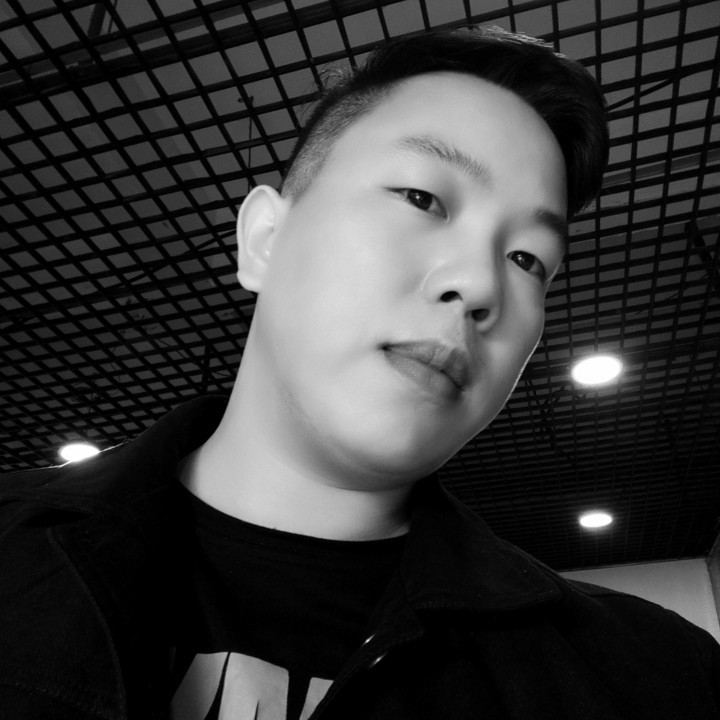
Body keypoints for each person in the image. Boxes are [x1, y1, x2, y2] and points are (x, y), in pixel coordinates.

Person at [1, 25, 718, 720]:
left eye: (528, 259)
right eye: (423, 199)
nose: (480, 284)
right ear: (265, 239)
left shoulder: (655, 681)